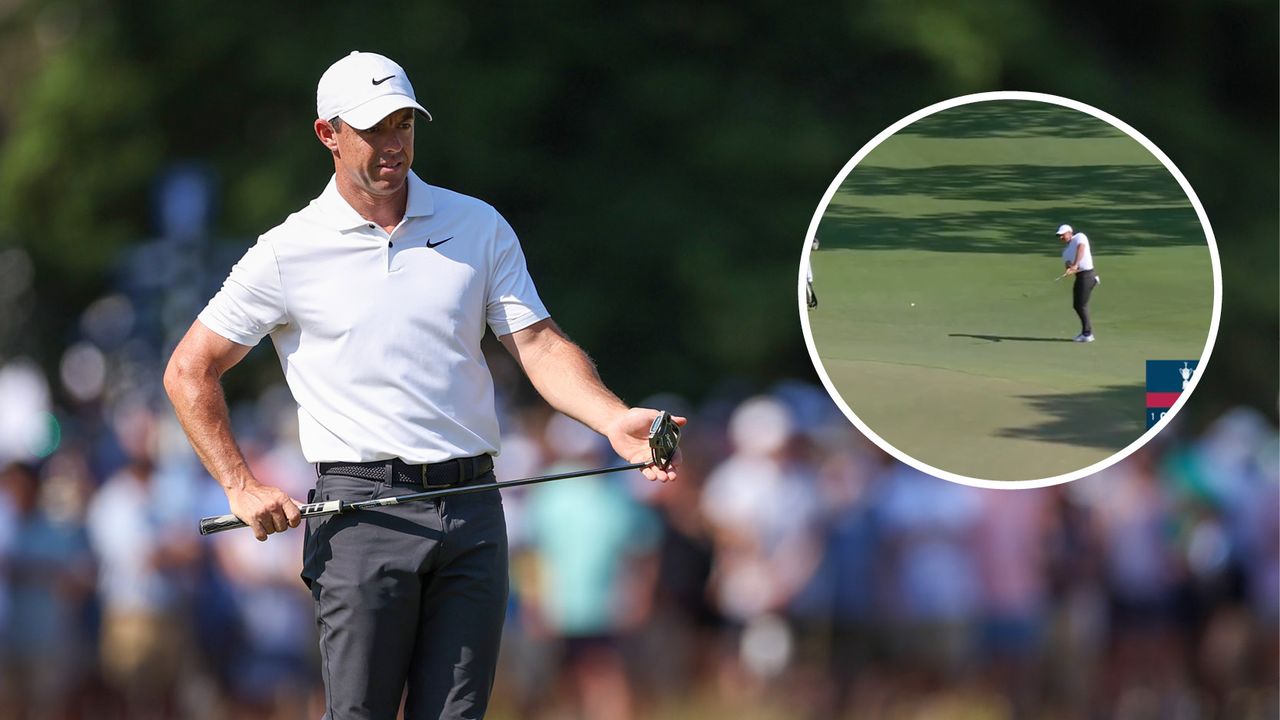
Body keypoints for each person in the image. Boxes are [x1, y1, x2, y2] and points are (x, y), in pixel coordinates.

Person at [164, 50, 683, 720]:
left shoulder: (477, 225)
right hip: (361, 512)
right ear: (328, 133)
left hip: (472, 504)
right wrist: (239, 482)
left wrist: (612, 419)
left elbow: (539, 344)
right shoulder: (288, 250)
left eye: (404, 124)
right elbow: (189, 369)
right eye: (375, 128)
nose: (394, 143)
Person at [1057, 224, 1100, 342]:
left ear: (1070, 233)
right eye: (1059, 236)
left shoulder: (1079, 237)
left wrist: (1075, 264)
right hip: (1080, 277)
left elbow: (1081, 248)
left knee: (1081, 305)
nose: (1061, 237)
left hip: (1088, 275)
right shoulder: (1065, 252)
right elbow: (1068, 265)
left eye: (1063, 234)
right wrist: (1069, 269)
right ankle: (1086, 333)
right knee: (1077, 305)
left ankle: (1087, 334)